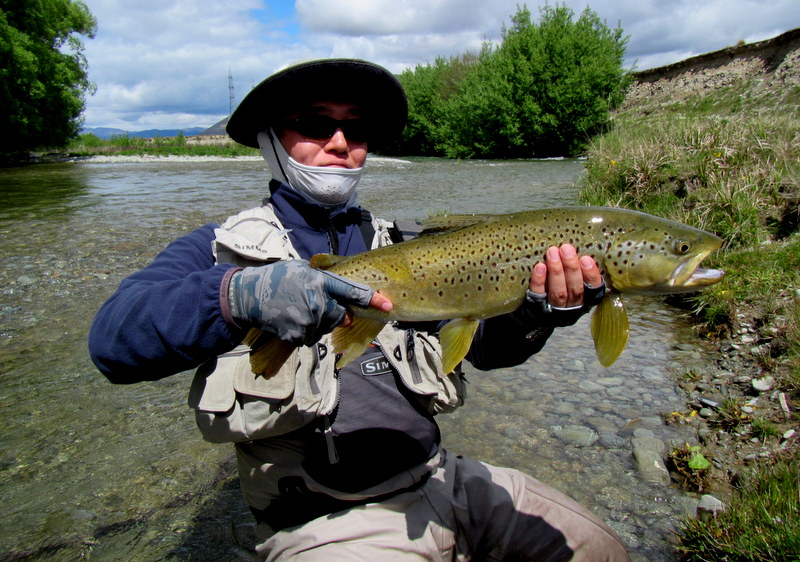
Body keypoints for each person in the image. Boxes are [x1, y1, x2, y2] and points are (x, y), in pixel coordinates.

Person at [89, 58, 629, 561]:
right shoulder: (216, 250)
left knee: (600, 548)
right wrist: (237, 295)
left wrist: (536, 314)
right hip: (325, 519)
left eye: (356, 128)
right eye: (315, 124)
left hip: (441, 480)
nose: (341, 142)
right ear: (270, 139)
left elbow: (483, 350)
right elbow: (113, 343)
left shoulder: (411, 248)